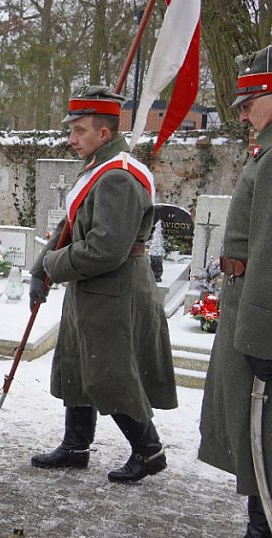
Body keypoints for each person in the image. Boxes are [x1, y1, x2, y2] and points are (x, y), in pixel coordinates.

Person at [29, 86, 178, 482]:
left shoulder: (118, 178)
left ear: (105, 133)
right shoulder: (99, 167)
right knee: (79, 365)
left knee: (111, 373)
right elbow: (73, 222)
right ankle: (76, 446)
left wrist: (53, 264)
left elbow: (105, 249)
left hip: (115, 290)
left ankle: (149, 451)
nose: (71, 139)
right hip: (92, 289)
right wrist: (39, 266)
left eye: (79, 131)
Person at [199, 45, 272, 538]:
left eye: (252, 100)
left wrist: (259, 340)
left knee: (263, 437)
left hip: (259, 323)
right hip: (249, 311)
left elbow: (268, 253)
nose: (242, 112)